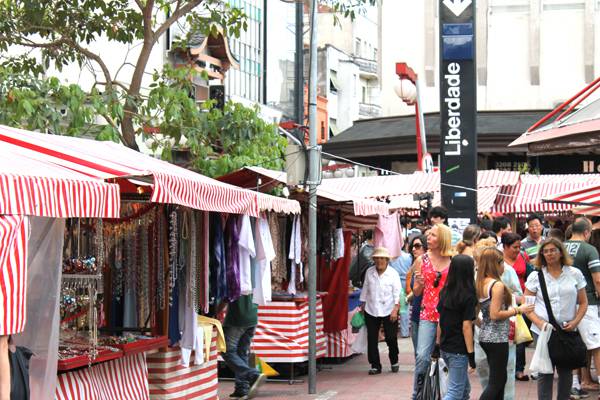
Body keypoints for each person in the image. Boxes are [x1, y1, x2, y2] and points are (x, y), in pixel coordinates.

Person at [524, 238, 588, 400]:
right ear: (541, 255)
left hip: (567, 329)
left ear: (560, 252)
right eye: (546, 251)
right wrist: (540, 323)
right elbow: (527, 306)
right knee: (545, 371)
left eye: (553, 250)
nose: (549, 254)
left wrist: (575, 322)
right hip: (543, 330)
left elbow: (583, 302)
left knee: (566, 370)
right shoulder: (535, 276)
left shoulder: (574, 274)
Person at [476, 247, 533, 400]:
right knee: (498, 380)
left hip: (485, 336)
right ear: (497, 264)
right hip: (497, 338)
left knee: (498, 380)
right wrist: (518, 310)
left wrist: (483, 325)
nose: (505, 267)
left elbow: (475, 315)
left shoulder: (481, 282)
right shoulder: (497, 285)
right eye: (503, 263)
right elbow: (495, 314)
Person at [411, 224, 453, 399]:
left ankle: (447, 393)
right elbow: (416, 292)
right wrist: (419, 283)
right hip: (427, 312)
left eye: (433, 235)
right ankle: (417, 394)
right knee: (422, 356)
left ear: (442, 238)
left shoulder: (453, 259)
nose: (428, 238)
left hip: (448, 314)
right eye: (428, 235)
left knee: (447, 357)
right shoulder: (422, 260)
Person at [563, 219, 600, 396]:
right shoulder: (589, 249)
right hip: (587, 303)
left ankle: (574, 384)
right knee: (596, 346)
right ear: (586, 232)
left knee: (574, 345)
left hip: (564, 303)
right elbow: (597, 279)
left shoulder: (560, 247)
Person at [435, 255, 478, 400]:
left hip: (446, 346)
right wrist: (471, 354)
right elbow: (466, 326)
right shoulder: (469, 295)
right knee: (455, 392)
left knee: (464, 390)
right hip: (459, 349)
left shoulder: (445, 292)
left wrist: (437, 344)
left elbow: (440, 321)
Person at [359, 247, 402, 375]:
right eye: (377, 258)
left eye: (382, 258)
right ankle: (375, 365)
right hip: (371, 308)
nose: (379, 261)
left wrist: (395, 309)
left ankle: (394, 360)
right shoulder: (369, 272)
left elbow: (397, 293)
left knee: (391, 337)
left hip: (389, 309)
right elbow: (365, 289)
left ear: (387, 260)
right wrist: (362, 306)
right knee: (372, 338)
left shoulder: (393, 273)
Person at [221, 294, 266, 400]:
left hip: (237, 318)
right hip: (252, 316)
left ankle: (252, 374)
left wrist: (217, 310)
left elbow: (226, 296)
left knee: (226, 350)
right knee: (242, 353)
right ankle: (242, 388)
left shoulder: (233, 276)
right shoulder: (254, 276)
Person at [501, 232, 532, 382]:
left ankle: (519, 369)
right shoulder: (499, 261)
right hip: (503, 302)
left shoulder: (523, 257)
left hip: (520, 301)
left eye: (519, 246)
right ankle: (505, 366)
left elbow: (530, 275)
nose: (518, 250)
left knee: (519, 335)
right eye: (514, 247)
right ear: (505, 247)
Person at [406, 234, 428, 356]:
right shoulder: (414, 266)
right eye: (412, 247)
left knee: (425, 355)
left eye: (417, 246)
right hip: (416, 313)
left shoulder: (431, 266)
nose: (414, 249)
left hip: (428, 314)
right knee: (418, 354)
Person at [389, 250, 413, 337]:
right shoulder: (408, 256)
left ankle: (392, 332)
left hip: (394, 283)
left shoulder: (391, 257)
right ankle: (405, 332)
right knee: (404, 308)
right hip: (406, 283)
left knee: (393, 306)